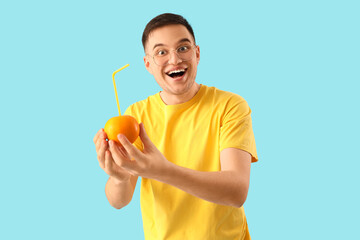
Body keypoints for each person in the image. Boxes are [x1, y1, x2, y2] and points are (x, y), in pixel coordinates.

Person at [93, 13, 258, 240]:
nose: (175, 60)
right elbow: (118, 201)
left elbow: (237, 191)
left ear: (197, 53)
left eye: (183, 48)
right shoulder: (136, 116)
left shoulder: (230, 106)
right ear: (148, 64)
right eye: (161, 52)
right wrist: (120, 178)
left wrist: (162, 170)